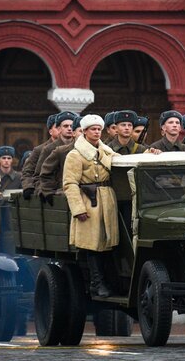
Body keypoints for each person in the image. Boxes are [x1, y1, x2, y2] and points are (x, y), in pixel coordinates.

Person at [63, 114, 119, 297]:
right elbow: (70, 183)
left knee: (107, 244)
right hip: (89, 200)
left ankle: (108, 281)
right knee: (92, 245)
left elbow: (120, 161)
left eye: (99, 129)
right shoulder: (75, 154)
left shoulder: (106, 151)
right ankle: (96, 282)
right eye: (93, 129)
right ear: (85, 131)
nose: (97, 132)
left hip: (107, 200)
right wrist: (78, 209)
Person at [38, 116, 82, 198]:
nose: (69, 129)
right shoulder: (52, 150)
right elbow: (40, 174)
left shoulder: (98, 150)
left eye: (71, 126)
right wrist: (47, 192)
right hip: (63, 194)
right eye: (65, 126)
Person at [21, 114, 58, 198]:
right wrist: (28, 187)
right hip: (45, 192)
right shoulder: (40, 150)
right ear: (50, 131)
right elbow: (28, 171)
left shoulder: (73, 148)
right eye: (57, 127)